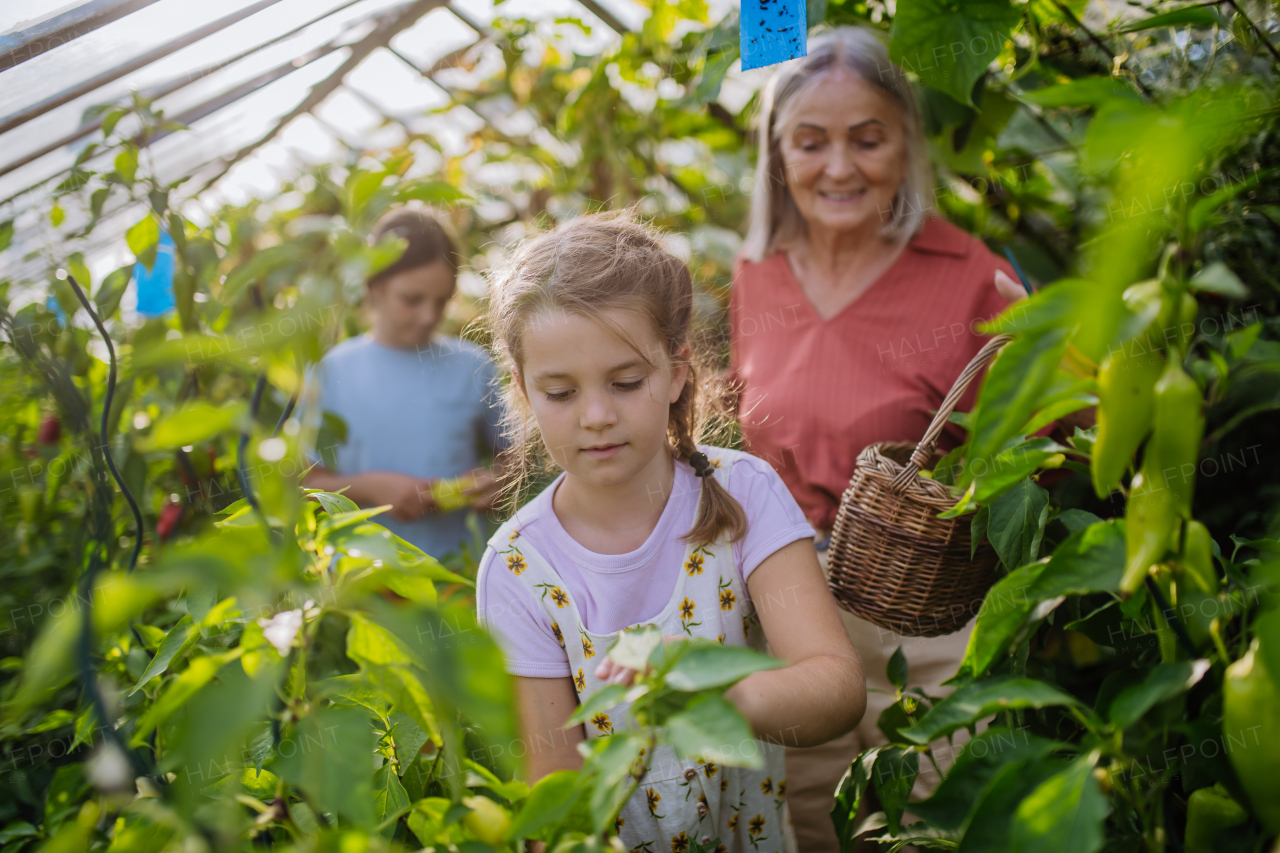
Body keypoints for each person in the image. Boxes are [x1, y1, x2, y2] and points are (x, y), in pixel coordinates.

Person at [476, 212, 866, 850]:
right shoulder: (519, 567)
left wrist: (717, 692)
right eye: (560, 393)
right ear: (522, 395)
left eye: (626, 382)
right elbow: (558, 798)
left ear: (677, 371)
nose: (597, 416)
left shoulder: (744, 493)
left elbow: (836, 687)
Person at [728, 26, 1029, 853]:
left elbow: (1066, 443)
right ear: (777, 153)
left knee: (940, 821)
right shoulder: (759, 275)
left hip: (928, 624)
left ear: (905, 142)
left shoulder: (969, 276)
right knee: (809, 817)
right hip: (789, 606)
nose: (839, 167)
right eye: (810, 142)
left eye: (867, 139)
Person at [304, 207, 505, 560]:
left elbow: (521, 458)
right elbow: (301, 485)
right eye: (412, 300)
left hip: (458, 574)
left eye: (441, 301)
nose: (429, 316)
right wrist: (368, 488)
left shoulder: (472, 366)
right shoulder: (330, 371)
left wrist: (501, 483)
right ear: (374, 286)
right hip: (361, 581)